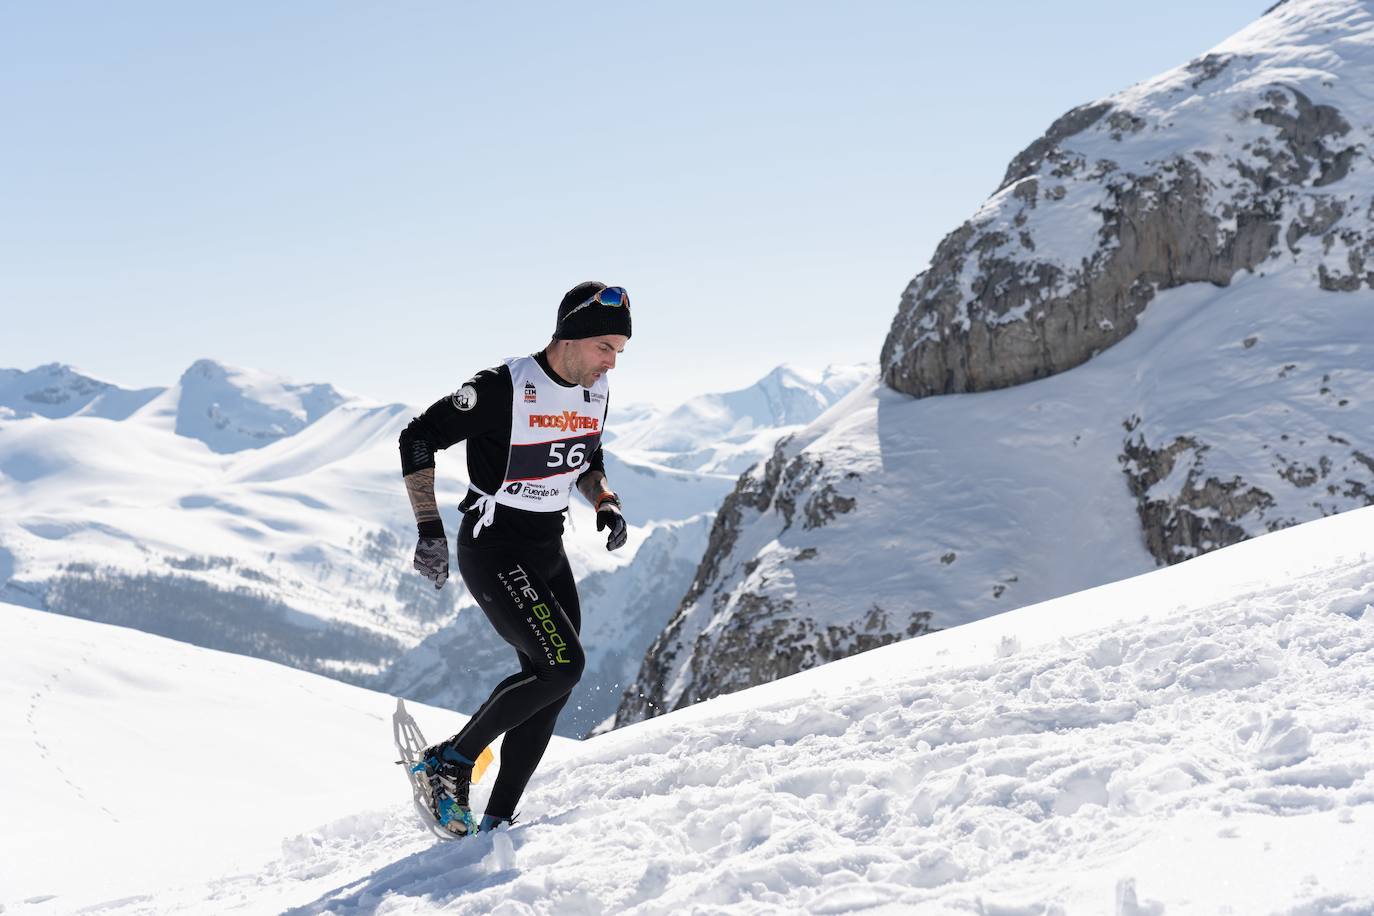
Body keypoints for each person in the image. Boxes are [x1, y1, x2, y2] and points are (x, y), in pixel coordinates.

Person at [397, 281, 631, 836]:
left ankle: (497, 819)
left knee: (552, 683)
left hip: (547, 548)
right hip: (495, 547)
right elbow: (418, 438)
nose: (611, 364)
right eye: (605, 348)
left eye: (619, 353)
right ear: (570, 337)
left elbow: (585, 457)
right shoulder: (503, 387)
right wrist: (429, 527)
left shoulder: (592, 391)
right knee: (563, 666)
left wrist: (604, 500)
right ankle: (448, 761)